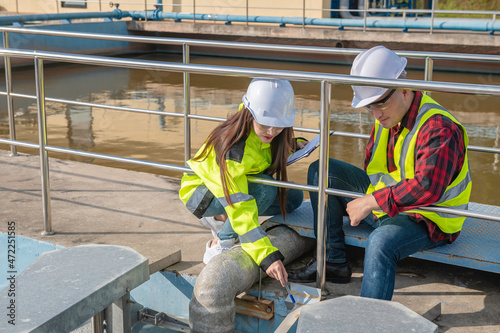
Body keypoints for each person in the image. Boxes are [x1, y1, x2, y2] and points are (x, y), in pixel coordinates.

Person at [288, 45, 471, 300]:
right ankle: (332, 262)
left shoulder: (438, 127)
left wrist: (371, 202)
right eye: (369, 107)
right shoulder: (387, 116)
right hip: (389, 204)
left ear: (404, 89)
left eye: (380, 103)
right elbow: (375, 170)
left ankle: (367, 321)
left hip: (428, 217)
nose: (375, 114)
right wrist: (370, 200)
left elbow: (428, 186)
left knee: (380, 243)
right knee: (323, 171)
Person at [179, 78, 306, 287]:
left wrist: (294, 144)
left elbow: (261, 150)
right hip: (200, 194)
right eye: (266, 125)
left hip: (232, 189)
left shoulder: (266, 134)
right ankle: (220, 242)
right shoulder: (233, 148)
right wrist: (266, 256)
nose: (272, 133)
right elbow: (240, 206)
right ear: (250, 113)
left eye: (279, 126)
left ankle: (222, 217)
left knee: (293, 197)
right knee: (264, 190)